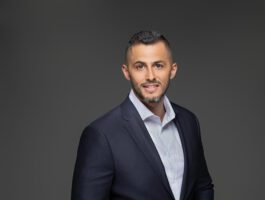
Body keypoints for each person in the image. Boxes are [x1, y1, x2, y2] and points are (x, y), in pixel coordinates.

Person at [71, 30, 214, 200]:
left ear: (173, 70)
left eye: (158, 65)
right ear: (126, 72)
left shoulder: (189, 122)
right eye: (140, 67)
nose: (150, 76)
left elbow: (202, 186)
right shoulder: (101, 135)